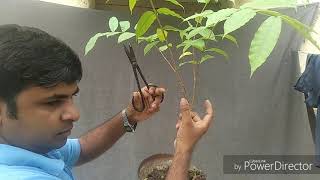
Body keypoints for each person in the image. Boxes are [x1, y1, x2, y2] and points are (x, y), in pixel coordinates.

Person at [0, 24, 214, 180]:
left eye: (71, 96)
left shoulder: (29, 144)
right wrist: (184, 150)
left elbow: (81, 149)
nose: (74, 114)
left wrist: (130, 116)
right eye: (52, 102)